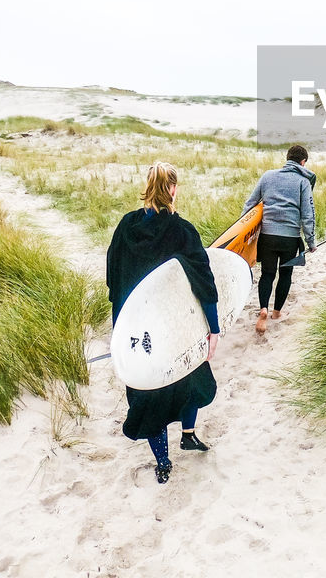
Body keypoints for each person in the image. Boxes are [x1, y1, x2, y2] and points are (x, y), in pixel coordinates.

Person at [106, 162, 220, 484]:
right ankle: (187, 434)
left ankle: (165, 459)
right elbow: (204, 282)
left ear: (148, 187)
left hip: (136, 332)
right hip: (175, 329)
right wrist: (213, 329)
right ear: (172, 189)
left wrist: (121, 327)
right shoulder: (181, 231)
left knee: (149, 394)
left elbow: (113, 279)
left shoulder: (125, 227)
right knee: (189, 382)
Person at [244, 144, 316, 334]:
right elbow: (308, 215)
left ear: (287, 159)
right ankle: (276, 313)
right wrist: (311, 242)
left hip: (267, 236)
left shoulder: (268, 176)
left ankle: (263, 309)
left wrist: (245, 233)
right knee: (285, 274)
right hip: (289, 238)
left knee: (267, 274)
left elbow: (250, 204)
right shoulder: (303, 182)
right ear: (303, 162)